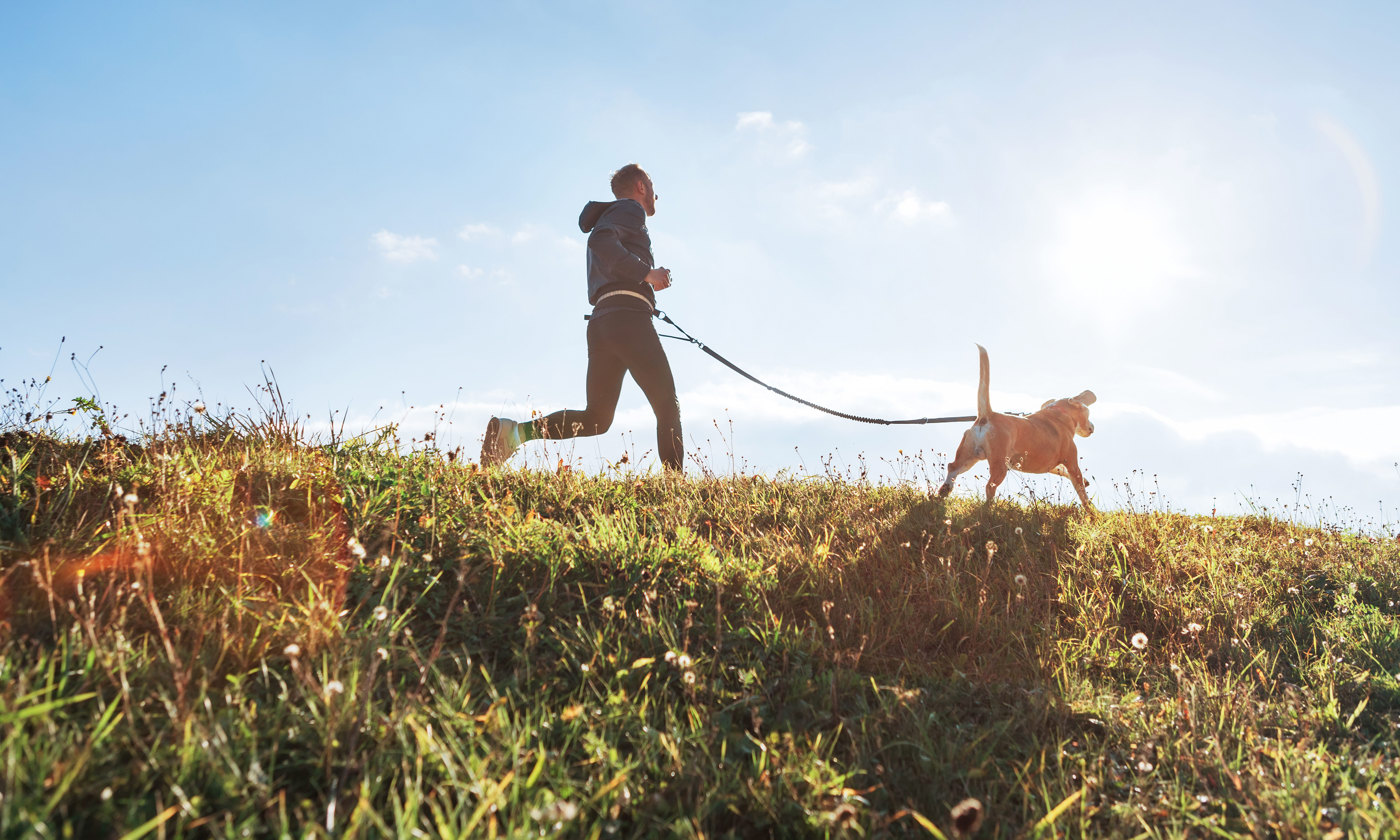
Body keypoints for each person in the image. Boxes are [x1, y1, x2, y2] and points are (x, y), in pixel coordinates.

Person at [480, 163, 684, 471]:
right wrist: (646, 273)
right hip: (627, 320)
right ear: (641, 186)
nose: (656, 194)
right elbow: (600, 241)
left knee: (597, 418)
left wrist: (645, 283)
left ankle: (514, 432)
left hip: (604, 322)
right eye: (652, 186)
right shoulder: (631, 210)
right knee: (667, 404)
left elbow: (605, 247)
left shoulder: (613, 214)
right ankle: (675, 488)